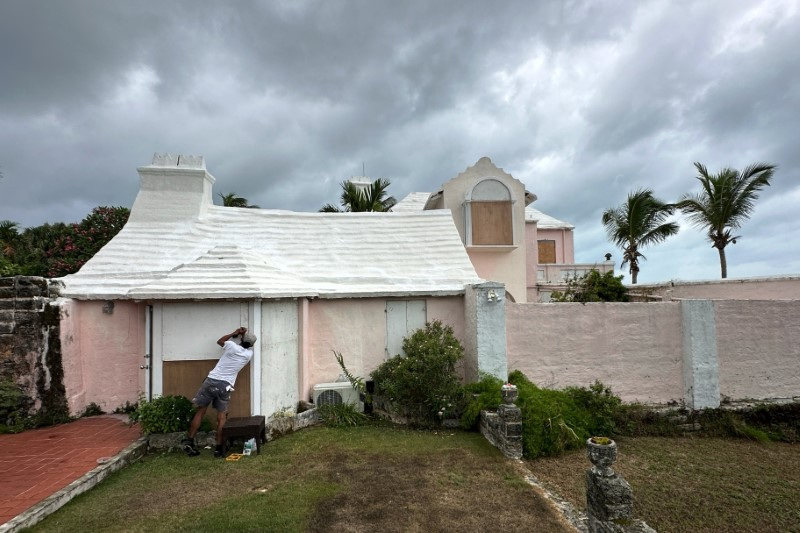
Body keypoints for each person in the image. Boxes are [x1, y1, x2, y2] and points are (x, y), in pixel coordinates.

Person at [182, 326, 256, 457]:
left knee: (200, 411)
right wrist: (243, 337)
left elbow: (220, 341)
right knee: (221, 417)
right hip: (225, 385)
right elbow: (245, 344)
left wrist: (235, 333)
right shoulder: (249, 354)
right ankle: (219, 448)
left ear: (241, 339)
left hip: (211, 381)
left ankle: (190, 441)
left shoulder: (231, 346)